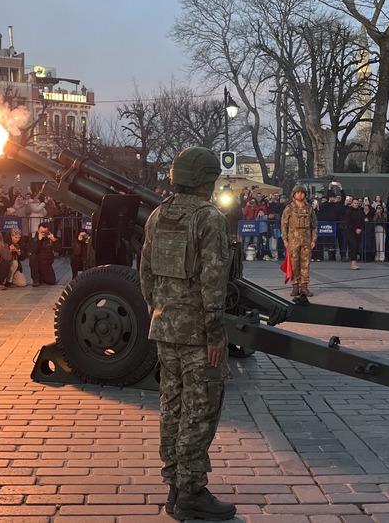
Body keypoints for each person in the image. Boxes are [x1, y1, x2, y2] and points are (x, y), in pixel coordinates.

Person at [139, 147, 235, 521]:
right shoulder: (208, 218)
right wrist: (214, 334)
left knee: (172, 407)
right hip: (198, 334)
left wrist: (161, 309)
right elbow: (214, 281)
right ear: (207, 182)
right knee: (201, 409)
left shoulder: (158, 215)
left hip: (165, 330)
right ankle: (191, 492)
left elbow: (145, 272)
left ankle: (175, 486)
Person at [282, 184, 318, 300]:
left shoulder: (309, 208)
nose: (300, 194)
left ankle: (304, 286)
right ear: (294, 194)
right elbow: (284, 225)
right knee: (294, 263)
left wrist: (313, 239)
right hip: (293, 239)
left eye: (302, 193)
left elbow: (314, 225)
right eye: (297, 192)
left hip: (306, 239)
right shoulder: (289, 208)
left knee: (305, 263)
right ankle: (295, 286)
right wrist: (285, 240)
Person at [343, 197, 365, 270]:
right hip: (350, 231)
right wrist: (355, 229)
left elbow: (362, 221)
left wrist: (360, 229)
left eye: (357, 203)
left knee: (357, 246)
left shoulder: (360, 212)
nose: (356, 205)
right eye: (354, 203)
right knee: (353, 245)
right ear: (351, 203)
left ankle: (354, 262)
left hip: (358, 232)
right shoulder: (348, 211)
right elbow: (348, 222)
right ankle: (353, 263)